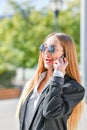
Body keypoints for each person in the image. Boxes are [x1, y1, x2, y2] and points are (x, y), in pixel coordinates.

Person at [16, 32, 85, 130]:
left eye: (52, 49)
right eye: (44, 48)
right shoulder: (32, 84)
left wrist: (58, 76)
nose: (46, 53)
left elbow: (50, 112)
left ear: (65, 55)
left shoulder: (73, 88)